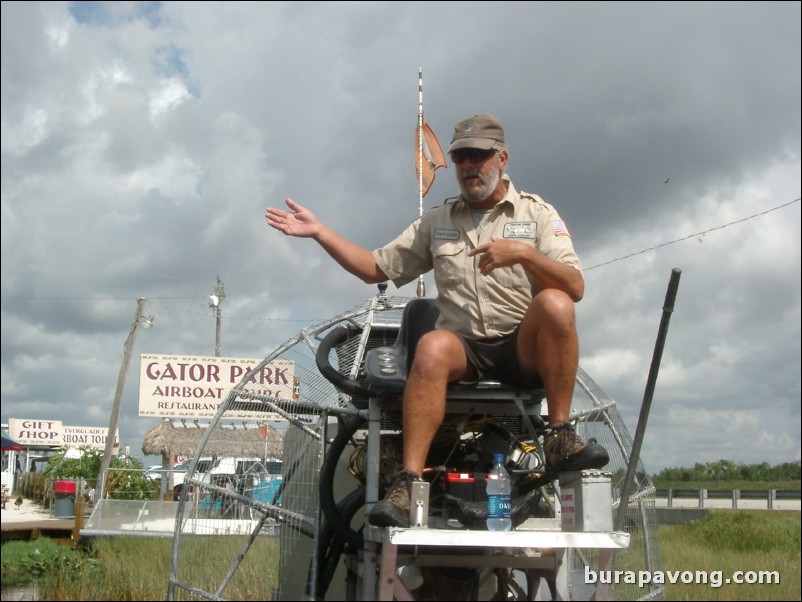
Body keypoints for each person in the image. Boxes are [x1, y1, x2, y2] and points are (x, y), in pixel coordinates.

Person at [266, 113, 609, 528]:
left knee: (556, 303)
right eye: (461, 157)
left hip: (521, 346)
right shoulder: (438, 223)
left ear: (502, 158)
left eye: (479, 156)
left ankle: (557, 436)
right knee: (430, 344)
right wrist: (321, 232)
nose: (469, 166)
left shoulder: (536, 214)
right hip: (464, 348)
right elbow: (374, 268)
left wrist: (525, 254)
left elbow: (575, 285)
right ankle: (410, 480)